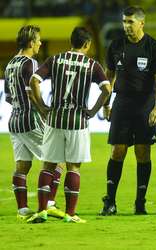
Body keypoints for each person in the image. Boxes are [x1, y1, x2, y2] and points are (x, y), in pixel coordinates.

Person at [26, 27, 111, 223]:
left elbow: (34, 81)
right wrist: (93, 111)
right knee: (73, 167)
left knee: (48, 166)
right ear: (87, 44)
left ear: (70, 41)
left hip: (55, 118)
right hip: (77, 121)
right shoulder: (91, 65)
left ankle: (41, 210)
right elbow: (107, 89)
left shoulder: (55, 60)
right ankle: (70, 214)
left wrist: (42, 107)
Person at [100, 6, 156, 215]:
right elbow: (108, 76)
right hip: (122, 103)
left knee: (142, 152)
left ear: (141, 23)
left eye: (130, 22)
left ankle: (140, 202)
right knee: (117, 150)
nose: (126, 26)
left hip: (145, 104)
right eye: (124, 22)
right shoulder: (115, 46)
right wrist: (106, 103)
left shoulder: (153, 46)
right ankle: (110, 201)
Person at [4, 25, 64, 221]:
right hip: (30, 119)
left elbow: (7, 97)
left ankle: (22, 209)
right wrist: (45, 111)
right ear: (31, 42)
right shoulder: (30, 63)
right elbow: (32, 93)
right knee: (58, 159)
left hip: (14, 121)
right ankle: (49, 204)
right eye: (38, 40)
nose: (40, 43)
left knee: (22, 165)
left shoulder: (10, 63)